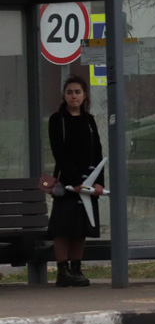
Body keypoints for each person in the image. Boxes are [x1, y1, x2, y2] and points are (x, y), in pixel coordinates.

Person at [46, 75, 103, 288]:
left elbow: (97, 151)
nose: (74, 96)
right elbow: (59, 152)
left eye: (78, 92)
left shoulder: (89, 120)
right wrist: (75, 181)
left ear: (85, 94)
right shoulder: (57, 119)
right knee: (62, 227)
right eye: (69, 92)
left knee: (81, 227)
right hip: (68, 183)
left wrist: (99, 182)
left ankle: (76, 269)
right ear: (64, 95)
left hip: (89, 183)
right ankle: (63, 271)